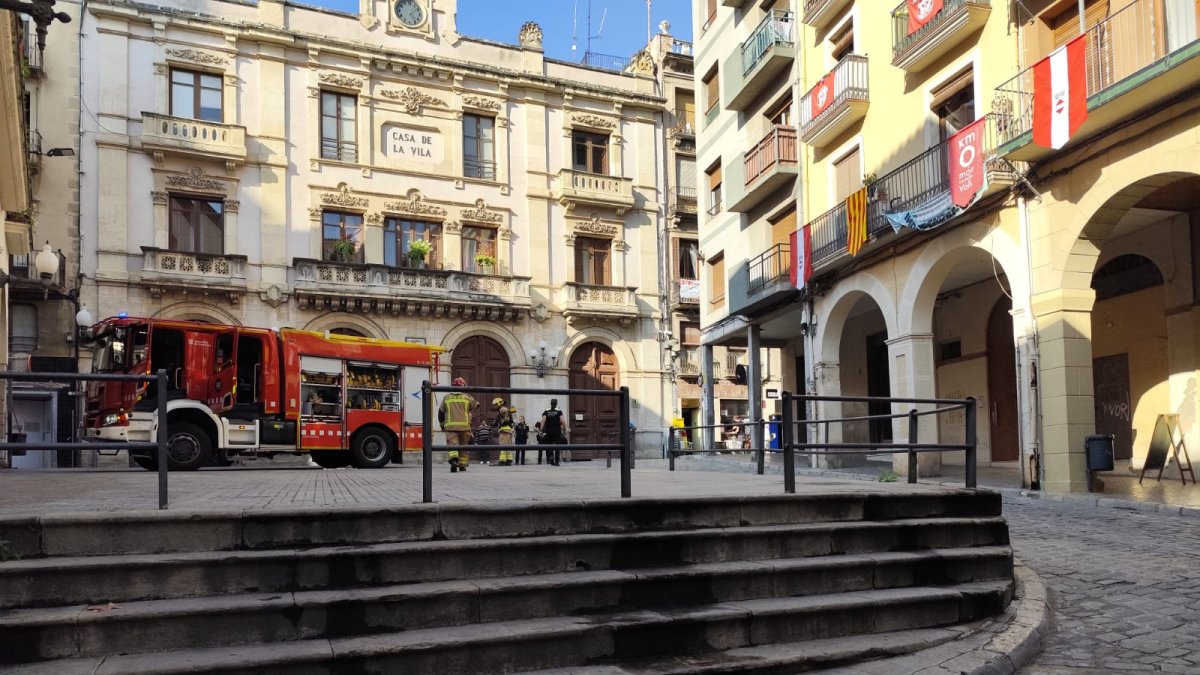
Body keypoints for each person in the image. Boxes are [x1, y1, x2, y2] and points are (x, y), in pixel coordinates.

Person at [438, 377, 478, 473]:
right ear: (463, 386)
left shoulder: (447, 397)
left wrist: (442, 425)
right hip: (464, 427)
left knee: (452, 444)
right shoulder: (466, 397)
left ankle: (454, 461)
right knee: (463, 446)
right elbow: (475, 406)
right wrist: (468, 393)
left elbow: (441, 412)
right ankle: (463, 466)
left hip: (451, 426)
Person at [539, 398, 569, 466]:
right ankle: (556, 461)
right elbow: (563, 421)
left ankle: (551, 458)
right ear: (556, 404)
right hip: (557, 431)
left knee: (549, 445)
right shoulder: (559, 411)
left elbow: (543, 421)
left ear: (550, 403)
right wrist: (564, 430)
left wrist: (541, 430)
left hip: (549, 431)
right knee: (557, 446)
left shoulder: (546, 411)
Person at [491, 398, 515, 466]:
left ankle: (502, 461)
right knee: (508, 446)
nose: (494, 406)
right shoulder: (504, 409)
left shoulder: (503, 409)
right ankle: (509, 460)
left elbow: (504, 418)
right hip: (509, 430)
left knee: (502, 445)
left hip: (504, 429)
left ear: (499, 403)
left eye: (495, 404)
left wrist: (494, 424)